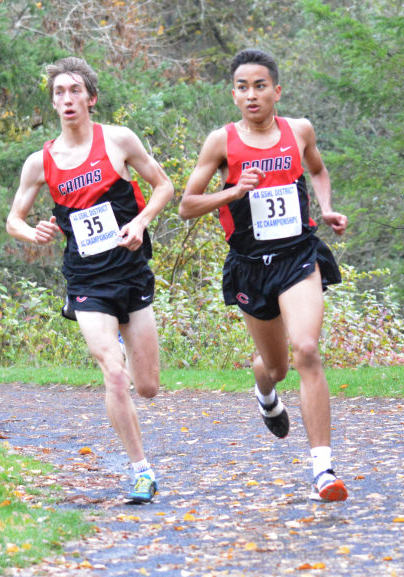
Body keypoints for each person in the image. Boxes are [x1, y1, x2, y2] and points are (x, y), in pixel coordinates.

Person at [179, 49, 348, 502]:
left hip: (297, 255)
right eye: (242, 87)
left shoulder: (299, 131)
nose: (251, 94)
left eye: (259, 86)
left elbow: (317, 169)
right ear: (233, 94)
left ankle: (323, 470)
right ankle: (265, 394)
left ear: (277, 90)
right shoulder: (221, 142)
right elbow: (186, 206)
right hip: (250, 266)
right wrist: (233, 190)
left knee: (307, 351)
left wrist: (326, 207)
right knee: (274, 366)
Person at [6, 57, 174, 503]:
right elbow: (14, 221)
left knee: (147, 387)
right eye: (59, 92)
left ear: (91, 98)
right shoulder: (40, 162)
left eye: (74, 90)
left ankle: (121, 348)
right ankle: (141, 471)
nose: (66, 99)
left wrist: (139, 223)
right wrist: (33, 231)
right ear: (53, 102)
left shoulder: (117, 140)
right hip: (86, 279)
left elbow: (164, 187)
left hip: (129, 271)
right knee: (114, 377)